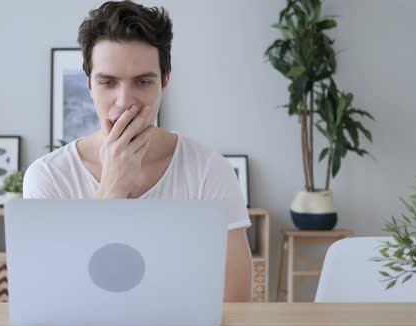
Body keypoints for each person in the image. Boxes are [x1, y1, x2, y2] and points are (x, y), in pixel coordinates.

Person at [23, 0, 252, 302]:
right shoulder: (49, 176)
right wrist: (112, 189)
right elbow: (54, 299)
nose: (124, 103)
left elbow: (235, 301)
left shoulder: (208, 169)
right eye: (108, 83)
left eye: (143, 82)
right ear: (89, 84)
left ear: (165, 83)